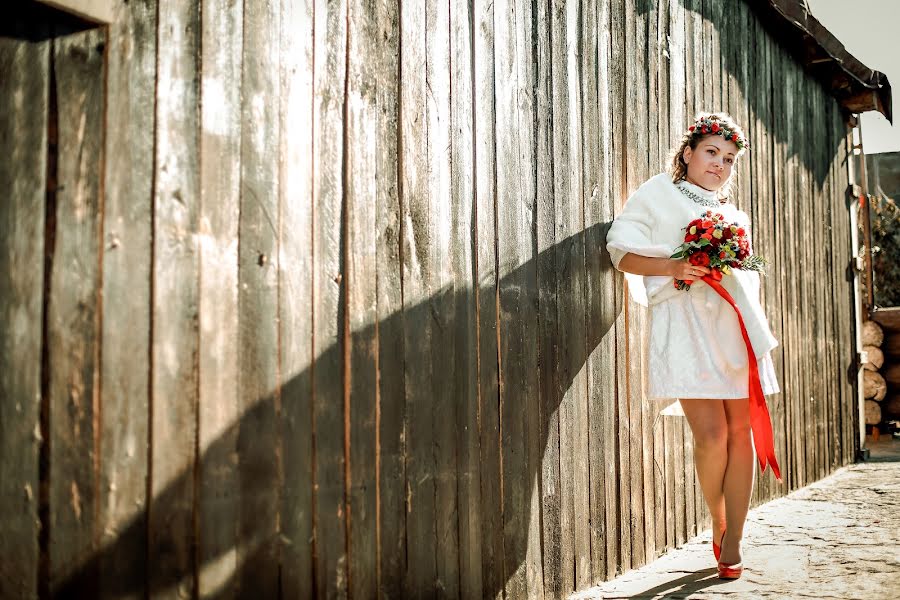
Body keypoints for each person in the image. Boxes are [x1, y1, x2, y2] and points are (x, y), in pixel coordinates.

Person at [605, 112, 782, 580]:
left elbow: (750, 274)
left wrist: (731, 273)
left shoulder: (734, 215)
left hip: (732, 327)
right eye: (711, 153)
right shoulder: (658, 193)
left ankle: (736, 539)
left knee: (739, 431)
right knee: (711, 435)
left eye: (728, 159)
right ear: (688, 153)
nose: (719, 165)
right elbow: (621, 250)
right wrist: (676, 268)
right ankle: (719, 520)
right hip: (684, 327)